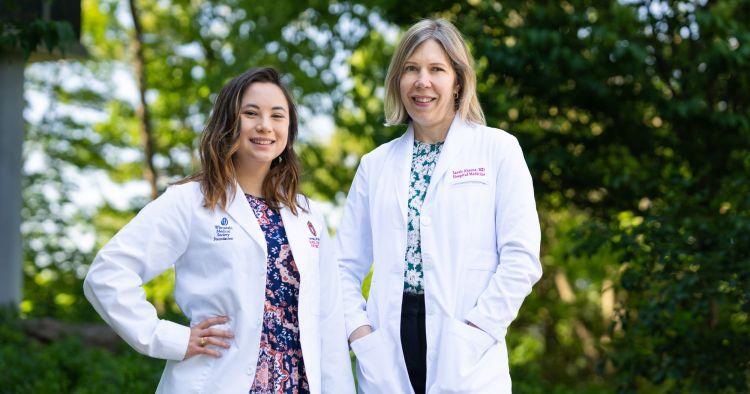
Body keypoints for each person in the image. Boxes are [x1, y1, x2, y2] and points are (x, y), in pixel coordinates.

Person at [84, 67, 355, 394]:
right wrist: (171, 338)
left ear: (289, 129)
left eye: (277, 116)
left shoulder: (308, 214)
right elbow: (107, 274)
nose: (265, 126)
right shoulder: (191, 201)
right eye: (251, 113)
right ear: (229, 122)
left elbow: (328, 318)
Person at [336, 19, 542, 394]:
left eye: (436, 70)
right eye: (410, 69)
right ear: (398, 81)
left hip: (466, 345)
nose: (422, 81)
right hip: (388, 344)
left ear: (458, 80)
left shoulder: (498, 150)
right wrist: (360, 333)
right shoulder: (374, 165)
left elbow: (521, 258)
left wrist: (480, 330)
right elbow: (342, 267)